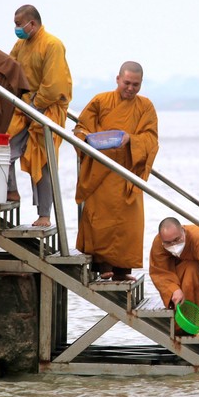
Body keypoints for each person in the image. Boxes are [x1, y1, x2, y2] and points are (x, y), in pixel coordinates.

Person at [73, 61, 159, 281]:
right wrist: (89, 139)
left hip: (128, 173)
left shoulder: (145, 106)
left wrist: (133, 139)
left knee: (128, 224)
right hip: (100, 171)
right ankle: (103, 266)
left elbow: (151, 139)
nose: (130, 89)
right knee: (100, 219)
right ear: (118, 79)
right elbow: (81, 128)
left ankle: (123, 270)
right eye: (127, 83)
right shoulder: (100, 101)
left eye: (136, 85)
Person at [5, 4, 72, 227]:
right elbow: (9, 68)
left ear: (31, 24)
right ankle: (11, 191)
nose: (16, 29)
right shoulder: (21, 44)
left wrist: (36, 106)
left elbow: (54, 86)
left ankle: (44, 215)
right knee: (4, 147)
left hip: (47, 110)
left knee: (43, 162)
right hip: (24, 107)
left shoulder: (53, 45)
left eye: (18, 24)